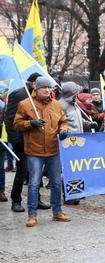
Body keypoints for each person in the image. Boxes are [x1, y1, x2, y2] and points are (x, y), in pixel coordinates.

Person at [14, 77, 70, 227]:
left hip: (53, 150)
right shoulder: (25, 104)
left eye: (49, 87)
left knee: (57, 182)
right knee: (33, 183)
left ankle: (57, 212)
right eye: (44, 87)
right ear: (36, 89)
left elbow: (63, 121)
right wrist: (30, 123)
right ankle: (32, 215)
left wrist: (64, 130)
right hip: (34, 151)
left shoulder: (56, 104)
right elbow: (17, 124)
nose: (47, 90)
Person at [3, 72, 50, 213]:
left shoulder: (40, 97)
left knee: (35, 172)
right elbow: (9, 120)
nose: (46, 88)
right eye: (42, 85)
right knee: (22, 172)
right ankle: (16, 201)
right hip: (21, 141)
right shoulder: (18, 94)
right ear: (34, 83)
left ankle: (36, 200)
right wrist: (16, 141)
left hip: (36, 140)